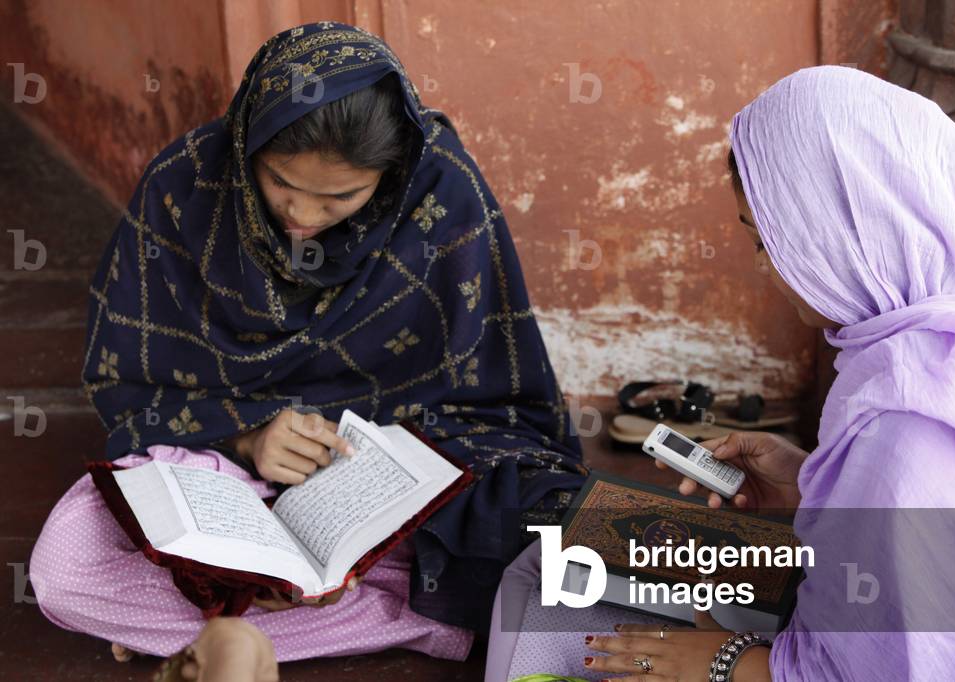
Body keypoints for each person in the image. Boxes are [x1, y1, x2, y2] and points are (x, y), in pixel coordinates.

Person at [30, 21, 584, 665]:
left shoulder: (440, 188)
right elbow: (131, 383)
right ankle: (418, 618)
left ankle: (211, 622)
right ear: (246, 147)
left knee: (536, 537)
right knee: (66, 568)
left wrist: (374, 477)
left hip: (397, 468)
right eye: (279, 184)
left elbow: (493, 394)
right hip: (219, 464)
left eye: (342, 197)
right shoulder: (187, 186)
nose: (304, 219)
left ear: (392, 172)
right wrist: (247, 437)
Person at [491, 66, 955, 681]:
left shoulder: (902, 430)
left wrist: (724, 663)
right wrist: (814, 481)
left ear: (845, 234)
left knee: (544, 608)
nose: (763, 266)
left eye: (771, 241)